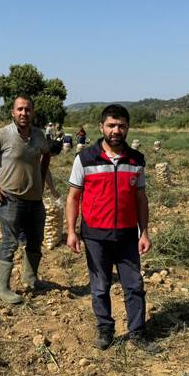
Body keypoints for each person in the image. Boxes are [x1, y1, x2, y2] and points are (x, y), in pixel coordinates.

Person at [65, 104, 156, 353]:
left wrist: (144, 231)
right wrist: (72, 231)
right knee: (100, 286)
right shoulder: (85, 158)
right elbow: (73, 196)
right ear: (101, 127)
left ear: (127, 128)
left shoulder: (136, 160)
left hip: (127, 234)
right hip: (95, 235)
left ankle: (138, 332)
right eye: (111, 125)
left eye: (121, 126)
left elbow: (140, 198)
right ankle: (105, 329)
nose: (116, 130)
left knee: (134, 285)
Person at [0, 97, 50, 303]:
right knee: (10, 242)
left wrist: (41, 180)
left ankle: (31, 278)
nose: (24, 113)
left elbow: (46, 155)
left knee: (35, 240)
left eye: (28, 109)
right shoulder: (2, 135)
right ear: (12, 112)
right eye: (20, 109)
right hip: (11, 199)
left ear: (33, 112)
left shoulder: (39, 136)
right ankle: (3, 289)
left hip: (35, 200)